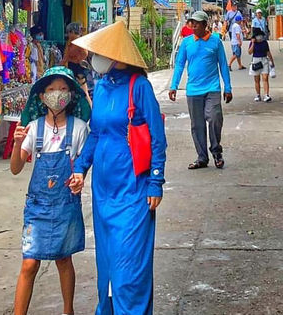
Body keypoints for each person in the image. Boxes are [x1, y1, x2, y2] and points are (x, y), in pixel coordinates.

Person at [68, 19, 167, 315]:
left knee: (129, 269)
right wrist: (80, 168)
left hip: (134, 190)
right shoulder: (101, 88)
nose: (93, 58)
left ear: (116, 57)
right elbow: (96, 133)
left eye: (100, 53)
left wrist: (156, 181)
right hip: (103, 192)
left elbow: (157, 139)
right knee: (108, 265)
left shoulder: (140, 88)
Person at [11, 66, 92, 315]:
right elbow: (16, 168)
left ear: (72, 95)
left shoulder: (79, 128)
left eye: (64, 89)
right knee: (29, 263)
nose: (58, 93)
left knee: (63, 259)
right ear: (42, 96)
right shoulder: (33, 128)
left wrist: (80, 179)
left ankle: (68, 311)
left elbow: (82, 165)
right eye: (52, 89)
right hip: (37, 207)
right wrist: (16, 144)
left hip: (66, 204)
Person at [169, 9, 232, 169]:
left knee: (215, 118)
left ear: (205, 24)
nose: (193, 25)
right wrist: (174, 85)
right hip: (193, 90)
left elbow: (223, 65)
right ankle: (202, 157)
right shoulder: (187, 42)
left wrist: (228, 87)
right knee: (197, 125)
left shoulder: (216, 42)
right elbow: (179, 65)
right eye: (192, 22)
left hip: (213, 88)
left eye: (197, 23)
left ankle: (216, 151)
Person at [249, 27, 275, 102]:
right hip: (256, 60)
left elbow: (268, 52)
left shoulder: (264, 43)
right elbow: (249, 52)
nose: (259, 37)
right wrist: (253, 43)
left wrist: (272, 61)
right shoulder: (252, 43)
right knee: (257, 79)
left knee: (265, 77)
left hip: (264, 60)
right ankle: (258, 94)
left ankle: (266, 94)